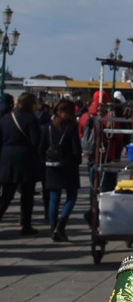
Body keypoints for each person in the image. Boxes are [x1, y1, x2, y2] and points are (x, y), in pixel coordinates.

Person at [0, 93, 42, 235]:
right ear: (31, 104)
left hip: (6, 157)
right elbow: (35, 141)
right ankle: (26, 225)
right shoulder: (31, 119)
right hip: (26, 159)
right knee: (27, 194)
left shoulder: (5, 118)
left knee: (7, 194)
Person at [41, 99, 82, 241]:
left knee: (54, 197)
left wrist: (45, 161)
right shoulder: (71, 127)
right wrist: (77, 161)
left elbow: (41, 148)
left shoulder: (47, 127)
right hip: (68, 165)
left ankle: (53, 227)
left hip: (51, 166)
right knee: (71, 196)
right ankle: (61, 225)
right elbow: (76, 149)